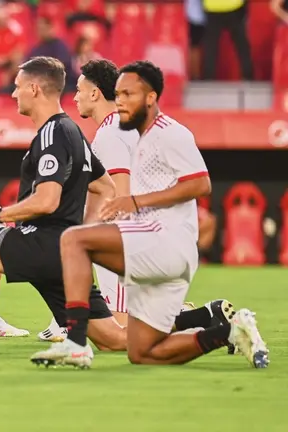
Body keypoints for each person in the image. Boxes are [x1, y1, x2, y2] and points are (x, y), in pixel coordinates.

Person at [30, 61, 269, 369]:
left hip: (158, 241)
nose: (120, 102)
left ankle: (72, 336)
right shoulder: (135, 135)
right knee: (141, 351)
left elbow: (200, 183)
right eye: (118, 94)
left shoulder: (148, 133)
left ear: (150, 97)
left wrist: (133, 205)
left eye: (127, 94)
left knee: (74, 243)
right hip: (156, 245)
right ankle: (227, 331)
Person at [0, 57, 119, 355]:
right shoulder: (72, 131)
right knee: (114, 341)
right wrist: (81, 235)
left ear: (34, 89)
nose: (13, 94)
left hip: (42, 245)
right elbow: (105, 187)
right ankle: (202, 321)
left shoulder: (52, 133)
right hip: (65, 254)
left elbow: (47, 201)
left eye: (17, 87)